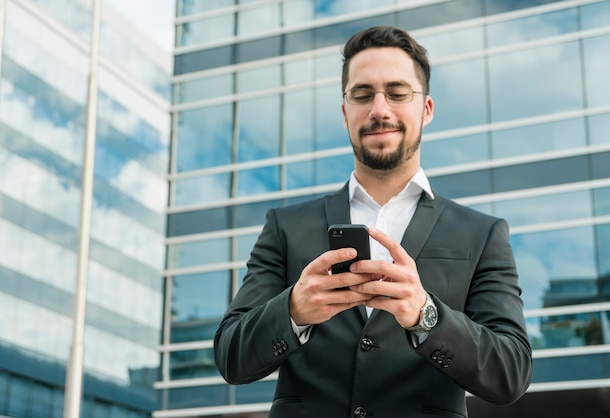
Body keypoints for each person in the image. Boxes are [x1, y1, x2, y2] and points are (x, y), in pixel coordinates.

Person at [214, 26, 532, 418]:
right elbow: (230, 355)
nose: (379, 110)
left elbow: (511, 373)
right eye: (362, 95)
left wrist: (425, 315)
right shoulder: (285, 226)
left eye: (398, 94)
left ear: (426, 109)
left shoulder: (482, 234)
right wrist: (293, 309)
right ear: (345, 113)